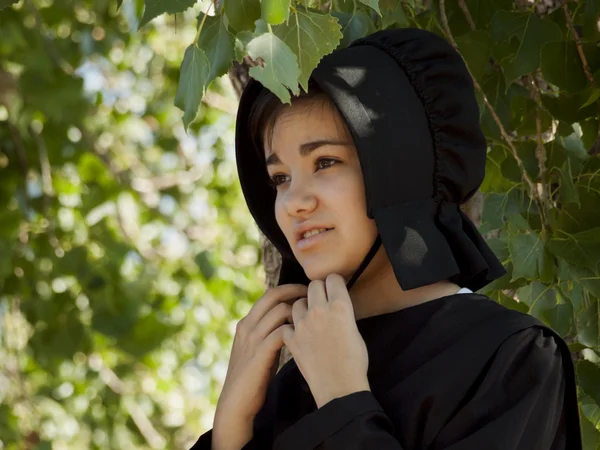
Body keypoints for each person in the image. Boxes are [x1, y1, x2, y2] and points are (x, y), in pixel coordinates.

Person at [190, 28, 582, 450]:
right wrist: (230, 430)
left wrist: (343, 399)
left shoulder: (510, 359)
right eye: (280, 178)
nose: (292, 203)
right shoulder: (287, 380)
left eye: (325, 162)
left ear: (397, 174)